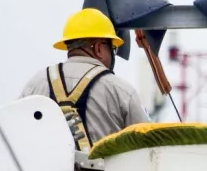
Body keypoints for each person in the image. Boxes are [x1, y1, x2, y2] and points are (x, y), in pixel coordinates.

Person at [19, 8, 150, 151]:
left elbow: (16, 132)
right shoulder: (121, 90)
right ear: (99, 48)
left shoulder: (36, 84)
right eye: (112, 48)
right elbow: (148, 144)